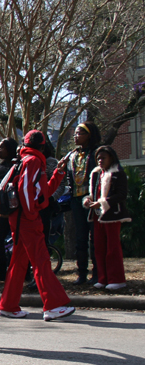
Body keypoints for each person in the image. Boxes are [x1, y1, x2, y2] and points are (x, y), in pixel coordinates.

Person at [0, 130, 74, 321]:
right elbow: (26, 189)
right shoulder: (33, 161)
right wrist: (32, 214)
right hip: (27, 219)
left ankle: (8, 305)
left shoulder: (25, 160)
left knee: (19, 261)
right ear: (42, 145)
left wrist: (59, 172)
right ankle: (53, 305)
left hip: (21, 217)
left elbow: (43, 191)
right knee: (40, 260)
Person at [84, 146, 130, 290]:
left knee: (112, 248)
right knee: (99, 247)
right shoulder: (96, 174)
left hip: (112, 215)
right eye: (98, 158)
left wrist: (103, 203)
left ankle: (116, 279)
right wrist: (88, 200)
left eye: (103, 158)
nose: (100, 161)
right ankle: (103, 278)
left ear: (111, 158)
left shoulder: (118, 173)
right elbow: (94, 193)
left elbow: (122, 194)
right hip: (98, 216)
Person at [66, 121, 102, 284]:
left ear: (90, 135)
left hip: (92, 200)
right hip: (76, 200)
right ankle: (81, 273)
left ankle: (97, 273)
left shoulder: (96, 153)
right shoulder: (72, 155)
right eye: (75, 133)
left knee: (95, 237)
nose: (76, 136)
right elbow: (69, 178)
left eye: (80, 133)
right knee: (80, 238)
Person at [0, 137, 18, 281]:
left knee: (19, 241)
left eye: (3, 148)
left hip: (17, 209)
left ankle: (24, 272)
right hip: (2, 209)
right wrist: (6, 182)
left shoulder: (18, 164)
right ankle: (1, 271)